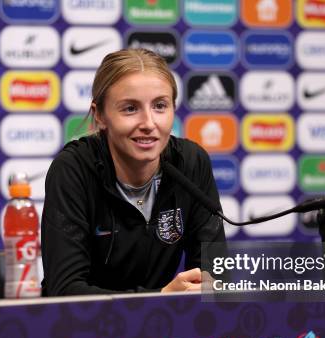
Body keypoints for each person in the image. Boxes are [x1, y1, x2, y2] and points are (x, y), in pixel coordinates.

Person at [41, 48, 226, 296]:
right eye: (130, 109)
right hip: (82, 329)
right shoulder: (73, 169)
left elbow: (214, 274)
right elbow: (64, 290)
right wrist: (158, 299)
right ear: (99, 116)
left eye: (160, 106)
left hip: (165, 328)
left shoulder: (191, 163)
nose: (149, 123)